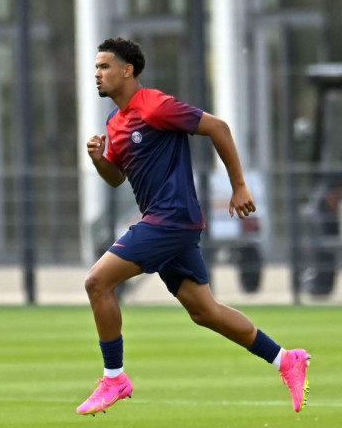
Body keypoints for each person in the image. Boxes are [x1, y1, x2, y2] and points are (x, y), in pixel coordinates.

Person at [76, 37, 310, 415]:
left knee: (97, 282)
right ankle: (286, 359)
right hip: (167, 223)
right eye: (96, 67)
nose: (96, 74)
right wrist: (100, 160)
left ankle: (114, 378)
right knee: (205, 311)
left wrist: (238, 186)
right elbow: (117, 178)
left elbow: (217, 127)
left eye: (104, 66)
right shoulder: (114, 122)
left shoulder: (154, 104)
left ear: (127, 70)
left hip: (171, 220)